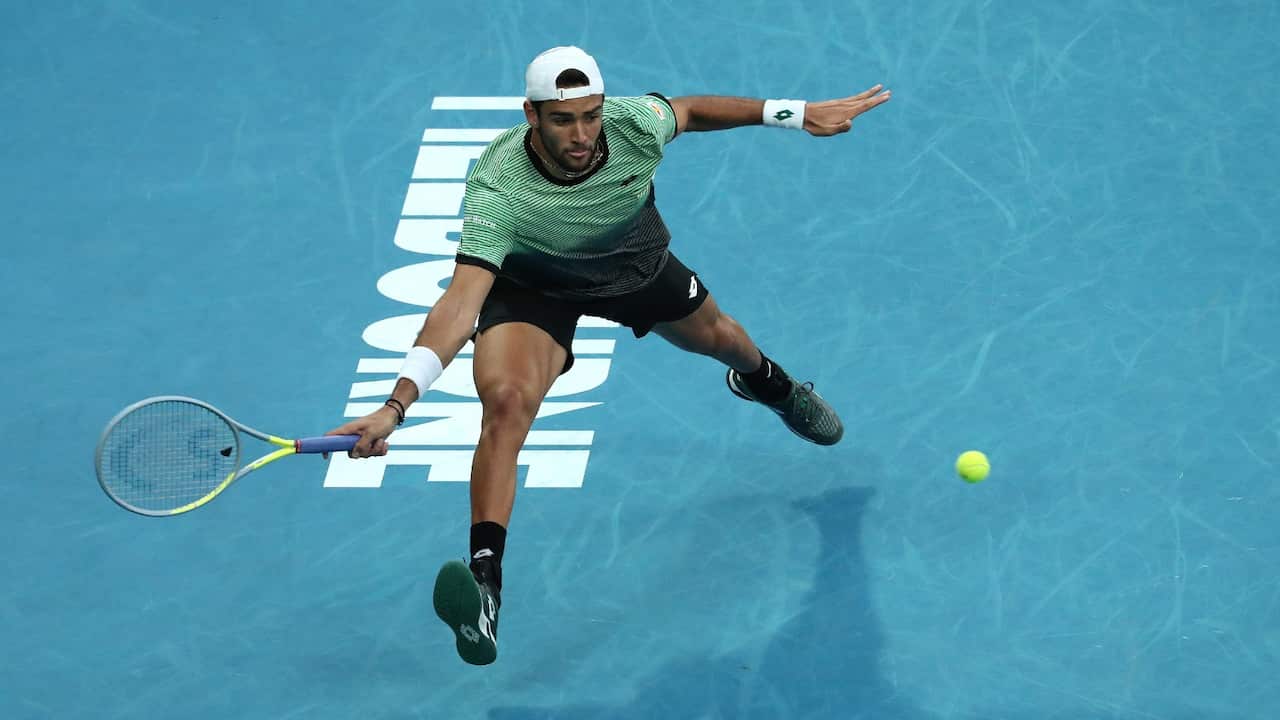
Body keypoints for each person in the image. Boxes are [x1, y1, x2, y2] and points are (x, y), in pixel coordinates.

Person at [327, 46, 891, 665]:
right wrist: (395, 406)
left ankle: (770, 385)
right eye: (562, 119)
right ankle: (486, 585)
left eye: (590, 116)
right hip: (535, 286)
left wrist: (797, 112)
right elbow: (460, 305)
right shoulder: (497, 189)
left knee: (726, 340)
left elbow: (693, 110)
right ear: (531, 115)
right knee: (507, 403)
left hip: (634, 267)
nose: (580, 133)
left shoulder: (631, 123)